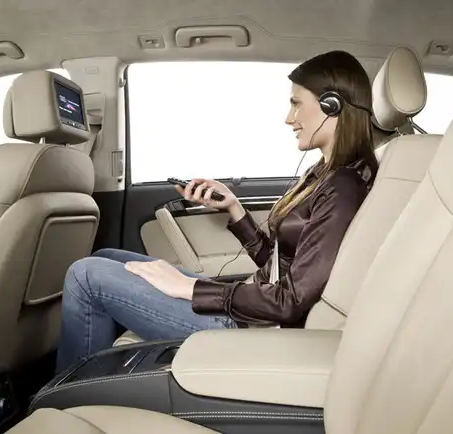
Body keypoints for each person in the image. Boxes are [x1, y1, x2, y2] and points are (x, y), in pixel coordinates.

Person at [55, 50, 379, 372]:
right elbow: (280, 265)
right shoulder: (323, 174)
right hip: (253, 305)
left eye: (296, 103)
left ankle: (67, 393)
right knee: (109, 257)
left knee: (85, 276)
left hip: (252, 327)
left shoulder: (342, 187)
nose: (288, 118)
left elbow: (290, 301)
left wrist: (190, 288)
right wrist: (234, 208)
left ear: (332, 105)